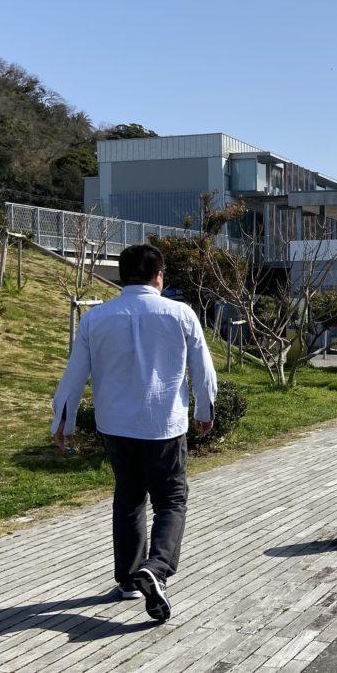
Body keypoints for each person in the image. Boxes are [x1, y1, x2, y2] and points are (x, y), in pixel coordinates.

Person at [50, 244, 217, 623]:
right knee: (171, 501)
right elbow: (202, 370)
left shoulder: (96, 318)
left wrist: (64, 419)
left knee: (128, 500)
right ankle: (155, 569)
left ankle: (128, 580)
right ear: (159, 276)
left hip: (116, 426)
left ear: (122, 276)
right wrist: (205, 410)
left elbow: (76, 372)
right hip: (165, 426)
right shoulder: (181, 314)